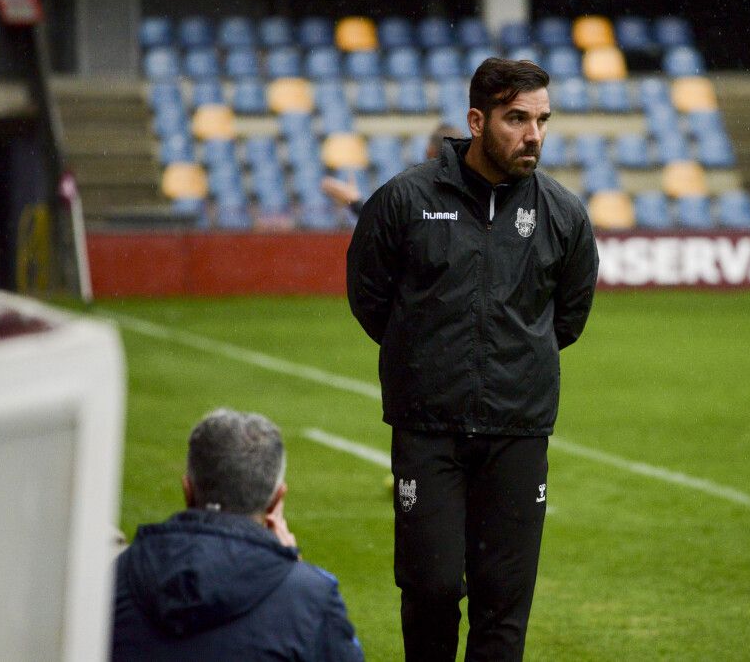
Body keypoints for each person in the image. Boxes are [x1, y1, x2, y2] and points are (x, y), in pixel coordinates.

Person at [346, 58, 599, 661]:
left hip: (517, 429)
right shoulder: (405, 200)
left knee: (503, 605)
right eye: (516, 119)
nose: (532, 134)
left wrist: (509, 361)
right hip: (428, 428)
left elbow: (567, 318)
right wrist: (429, 357)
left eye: (541, 119)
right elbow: (370, 298)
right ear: (477, 120)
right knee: (431, 591)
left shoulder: (563, 215)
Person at [111, 409, 364, 661]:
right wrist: (295, 569)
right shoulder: (310, 597)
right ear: (276, 501)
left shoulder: (114, 577)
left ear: (187, 490)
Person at [322, 124, 465, 215]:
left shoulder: (415, 196)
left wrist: (354, 201)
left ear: (429, 151)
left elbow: (383, 224)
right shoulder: (476, 199)